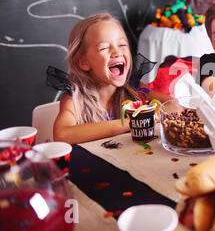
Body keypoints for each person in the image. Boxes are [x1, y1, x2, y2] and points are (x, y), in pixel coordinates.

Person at [53, 12, 171, 144]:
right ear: (83, 62)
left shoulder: (134, 89)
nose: (117, 52)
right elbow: (62, 135)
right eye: (104, 48)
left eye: (122, 45)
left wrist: (154, 115)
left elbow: (172, 105)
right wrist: (130, 122)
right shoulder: (75, 98)